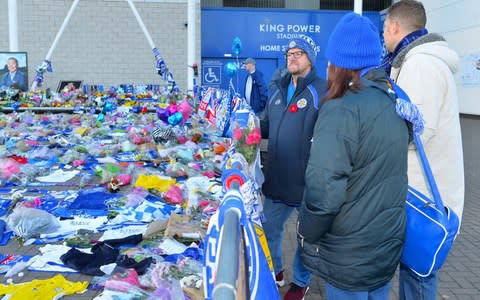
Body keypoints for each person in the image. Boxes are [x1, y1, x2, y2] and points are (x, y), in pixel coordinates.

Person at [297, 12, 411, 299]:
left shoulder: (341, 108)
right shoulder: (394, 100)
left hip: (349, 252)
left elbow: (324, 190)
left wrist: (306, 231)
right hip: (385, 244)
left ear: (340, 64)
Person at [382, 1, 465, 299]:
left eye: (384, 30)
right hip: (424, 195)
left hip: (423, 199)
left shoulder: (421, 64)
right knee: (414, 275)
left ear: (394, 26)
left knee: (417, 278)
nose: (384, 38)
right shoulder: (417, 61)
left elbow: (415, 132)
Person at [260, 34, 326, 300]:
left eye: (299, 52)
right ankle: (276, 271)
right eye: (289, 53)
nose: (292, 57)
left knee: (306, 237)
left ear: (310, 58)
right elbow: (265, 126)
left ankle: (300, 281)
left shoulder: (322, 91)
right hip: (276, 179)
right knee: (269, 230)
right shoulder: (277, 90)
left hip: (306, 182)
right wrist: (245, 126)